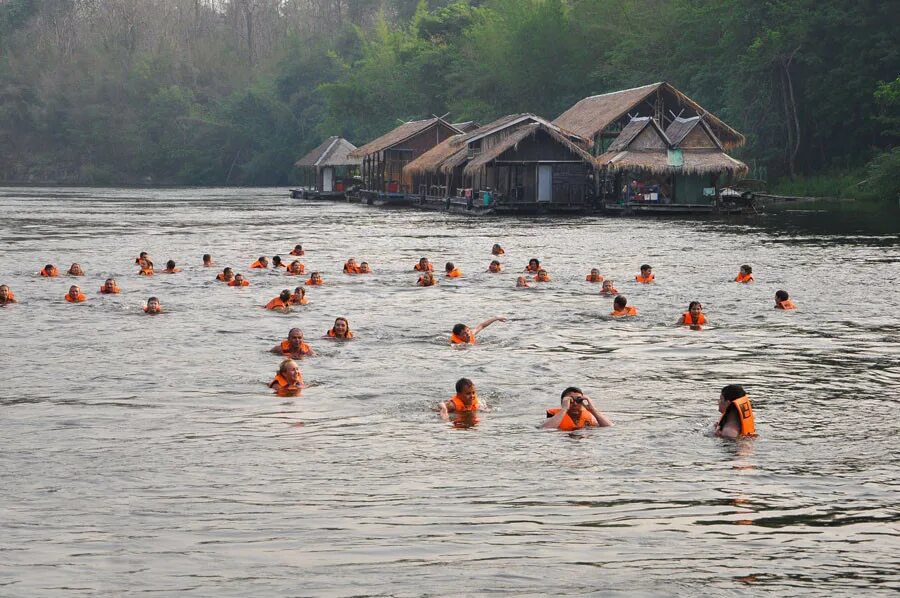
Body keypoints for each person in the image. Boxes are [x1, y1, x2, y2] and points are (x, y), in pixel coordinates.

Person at [542, 387, 613, 431]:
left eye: (579, 400)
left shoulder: (589, 417)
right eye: (571, 401)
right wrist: (564, 409)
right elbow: (546, 429)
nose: (575, 404)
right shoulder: (553, 418)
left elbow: (610, 428)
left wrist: (593, 410)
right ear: (563, 402)